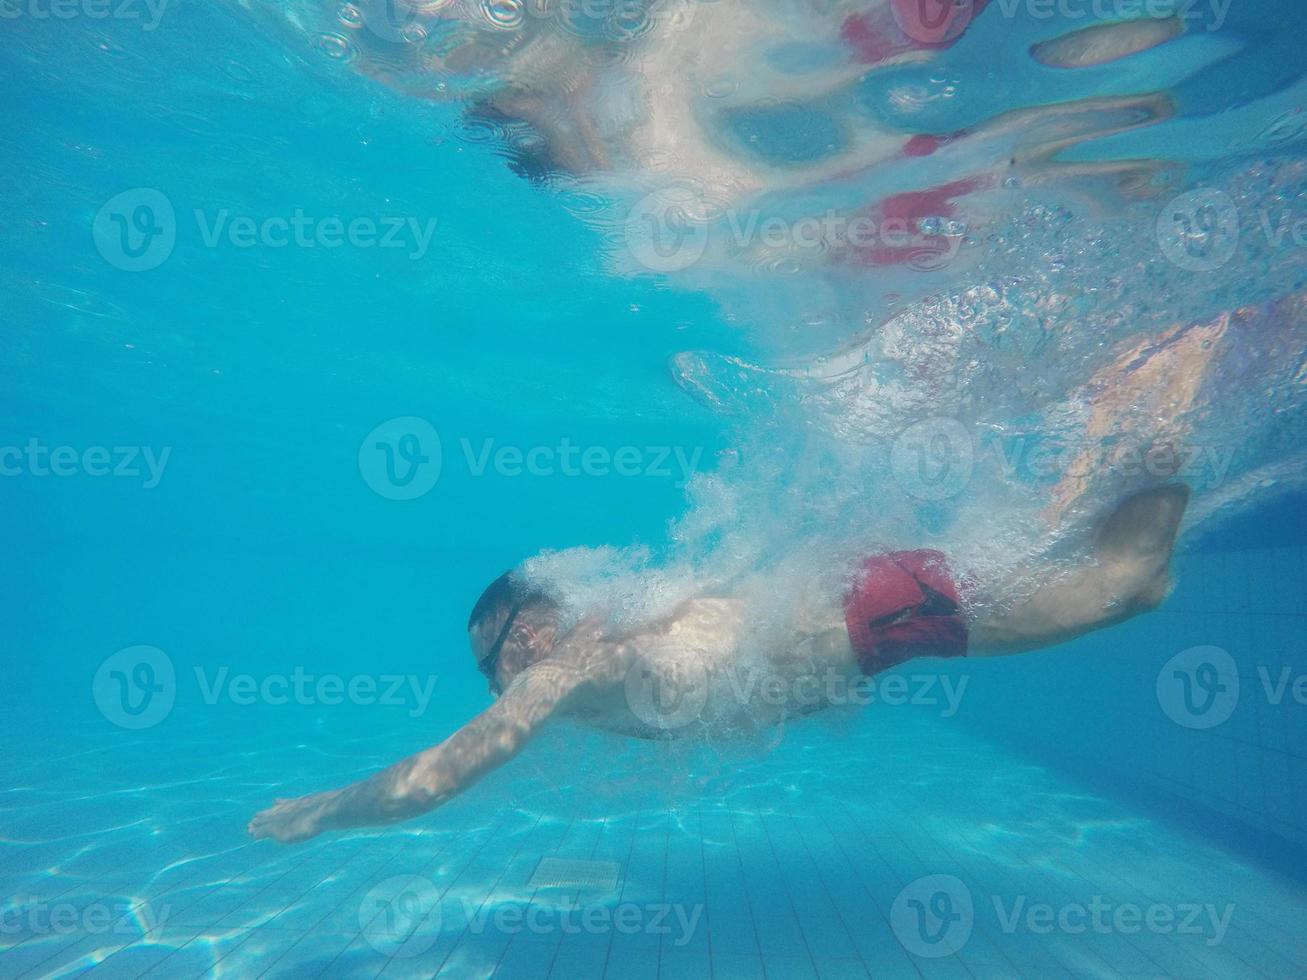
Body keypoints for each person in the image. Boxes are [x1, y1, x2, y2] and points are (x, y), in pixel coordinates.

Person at [249, 484, 1189, 844]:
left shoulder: (562, 672)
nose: (494, 681)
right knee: (1084, 558)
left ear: (522, 636)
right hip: (862, 613)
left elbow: (430, 785)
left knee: (1121, 587)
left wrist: (315, 813)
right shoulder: (605, 647)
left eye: (489, 659)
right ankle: (1130, 452)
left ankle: (1162, 416)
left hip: (867, 616)